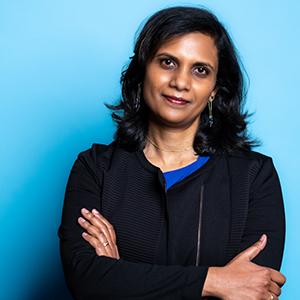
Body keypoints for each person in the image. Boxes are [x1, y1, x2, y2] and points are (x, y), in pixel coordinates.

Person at [58, 6, 286, 300]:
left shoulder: (254, 177)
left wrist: (121, 278)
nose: (180, 82)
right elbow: (87, 282)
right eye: (167, 62)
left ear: (215, 89)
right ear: (143, 71)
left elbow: (254, 289)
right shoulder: (95, 168)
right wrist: (213, 281)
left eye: (200, 70)